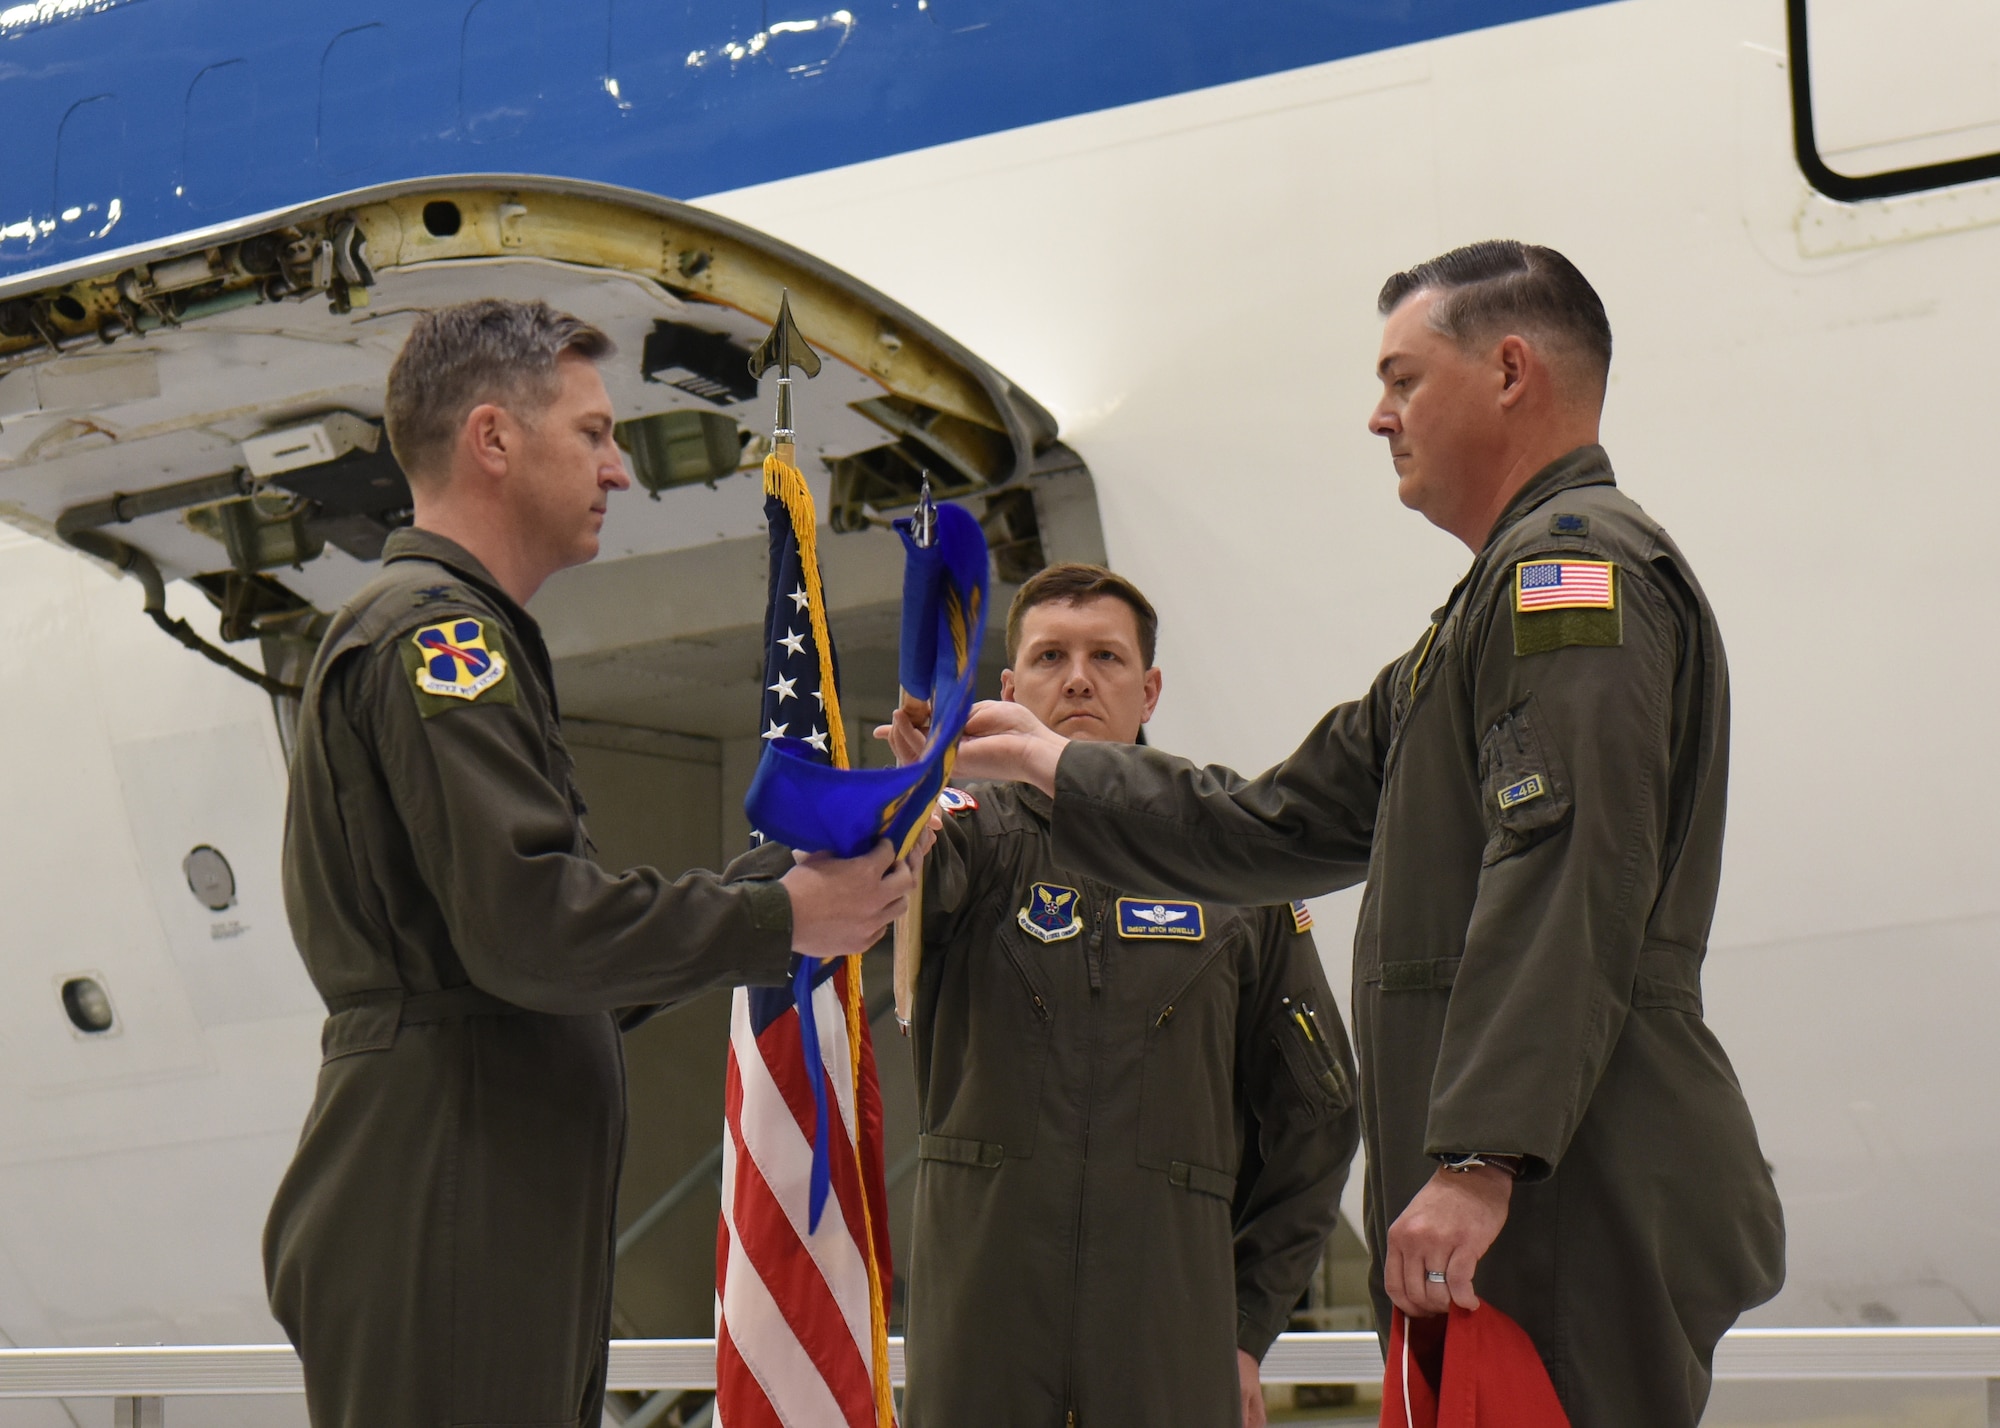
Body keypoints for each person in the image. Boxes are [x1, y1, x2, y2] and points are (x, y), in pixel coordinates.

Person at [952, 243, 1785, 1427]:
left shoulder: (1569, 577)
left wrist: (1481, 1157)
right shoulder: (1473, 623)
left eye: (1402, 379)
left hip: (1565, 1191)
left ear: (1508, 372)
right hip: (1529, 1192)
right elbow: (1270, 824)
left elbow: (1567, 867)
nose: (1377, 416)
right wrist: (1054, 766)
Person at [264, 298, 915, 1428]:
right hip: (451, 1186)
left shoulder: (451, 631)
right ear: (493, 438)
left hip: (476, 1186)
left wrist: (789, 881)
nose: (619, 469)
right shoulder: (438, 640)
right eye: (594, 434)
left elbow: (549, 956)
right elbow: (536, 933)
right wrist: (782, 920)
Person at [879, 563, 1358, 1428]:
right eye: (1050, 656)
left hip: (1169, 1343)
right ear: (1008, 690)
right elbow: (888, 888)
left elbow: (1319, 1115)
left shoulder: (1229, 865)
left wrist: (1246, 1326)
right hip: (983, 1338)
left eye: (1105, 656)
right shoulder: (965, 842)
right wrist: (903, 807)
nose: (1077, 679)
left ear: (1150, 689)